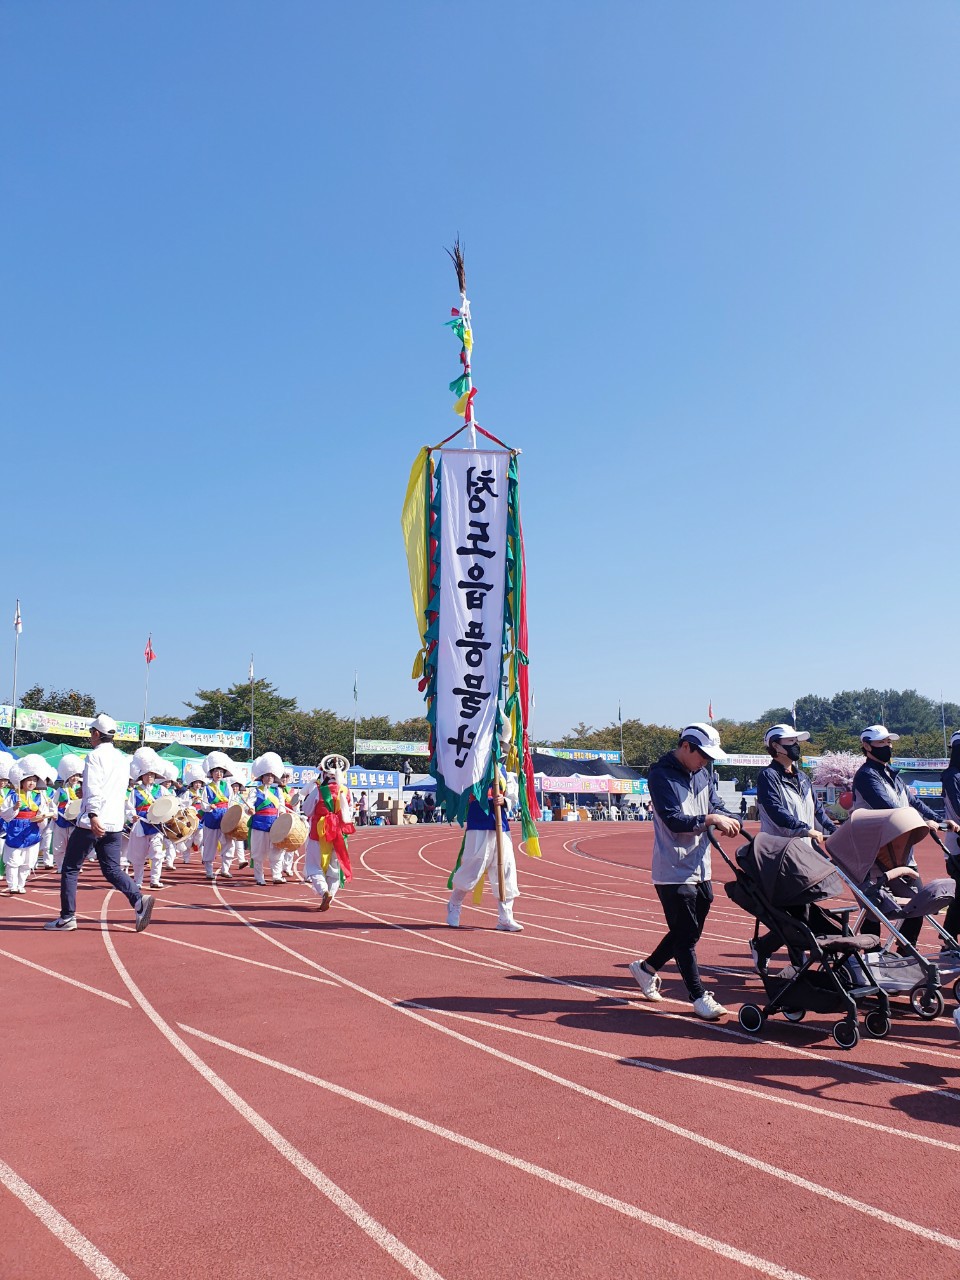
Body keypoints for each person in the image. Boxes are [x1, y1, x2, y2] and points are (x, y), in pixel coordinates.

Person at [629, 722, 740, 1019]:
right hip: (672, 868)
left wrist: (729, 819)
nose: (705, 761)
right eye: (702, 754)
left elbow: (716, 805)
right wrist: (710, 819)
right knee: (686, 934)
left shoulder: (703, 773)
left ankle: (647, 968)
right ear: (686, 746)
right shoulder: (661, 775)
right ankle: (699, 996)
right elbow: (674, 819)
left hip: (701, 865)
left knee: (687, 932)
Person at [45, 714, 155, 933]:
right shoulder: (122, 759)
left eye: (91, 733)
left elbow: (95, 787)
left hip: (92, 823)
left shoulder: (94, 756)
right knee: (112, 869)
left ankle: (67, 917)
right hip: (114, 823)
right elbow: (111, 788)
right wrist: (85, 792)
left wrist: (93, 814)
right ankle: (138, 900)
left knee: (70, 868)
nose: (90, 736)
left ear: (96, 733)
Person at [852, 724, 958, 949]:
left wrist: (939, 820)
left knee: (918, 902)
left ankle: (905, 951)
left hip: (901, 851)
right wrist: (921, 822)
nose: (888, 746)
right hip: (874, 854)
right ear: (867, 746)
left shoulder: (892, 775)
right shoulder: (866, 776)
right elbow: (887, 806)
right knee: (873, 909)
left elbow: (913, 802)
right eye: (882, 743)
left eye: (889, 742)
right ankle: (871, 954)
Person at [750, 724, 838, 973]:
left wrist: (835, 831)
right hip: (781, 855)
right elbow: (776, 811)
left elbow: (817, 811)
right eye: (790, 742)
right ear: (775, 746)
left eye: (796, 741)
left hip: (805, 854)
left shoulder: (803, 778)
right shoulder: (768, 777)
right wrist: (803, 828)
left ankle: (766, 948)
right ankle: (798, 966)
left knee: (802, 913)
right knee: (797, 914)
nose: (796, 746)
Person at [446, 757, 524, 933]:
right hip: (478, 822)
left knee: (506, 868)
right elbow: (462, 789)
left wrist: (504, 800)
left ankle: (505, 917)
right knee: (473, 867)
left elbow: (513, 797)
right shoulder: (472, 767)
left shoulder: (505, 772)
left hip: (500, 824)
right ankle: (454, 904)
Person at [302, 760, 355, 910]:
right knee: (335, 869)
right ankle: (330, 895)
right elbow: (350, 813)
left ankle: (324, 891)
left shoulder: (319, 791)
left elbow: (307, 810)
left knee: (314, 865)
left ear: (324, 774)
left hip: (319, 833)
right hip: (338, 834)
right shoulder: (347, 791)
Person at [1, 755, 54, 894]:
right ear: (22, 781)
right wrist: (14, 808)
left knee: (28, 860)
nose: (32, 783)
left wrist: (42, 818)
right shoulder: (13, 796)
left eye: (34, 780)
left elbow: (43, 813)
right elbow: (4, 814)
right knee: (13, 859)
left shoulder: (40, 796)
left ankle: (21, 884)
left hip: (32, 829)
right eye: (29, 780)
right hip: (16, 829)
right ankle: (12, 885)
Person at [248, 752, 288, 886]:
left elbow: (281, 807)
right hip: (259, 825)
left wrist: (282, 814)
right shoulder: (255, 791)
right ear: (262, 777)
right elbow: (247, 805)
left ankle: (277, 875)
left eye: (272, 775)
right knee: (258, 852)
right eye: (267, 775)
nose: (269, 778)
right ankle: (259, 877)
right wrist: (249, 809)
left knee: (277, 851)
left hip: (274, 825)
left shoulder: (278, 791)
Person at [200, 750, 236, 881]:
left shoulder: (228, 787)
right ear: (212, 773)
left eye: (221, 771)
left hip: (225, 819)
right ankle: (209, 871)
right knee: (210, 845)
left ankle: (225, 869)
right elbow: (203, 805)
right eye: (216, 771)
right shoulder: (207, 788)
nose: (219, 774)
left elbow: (231, 802)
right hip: (212, 819)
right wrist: (209, 807)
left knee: (229, 844)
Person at [938, 732, 960, 947]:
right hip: (957, 846)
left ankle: (948, 940)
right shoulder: (952, 775)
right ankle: (948, 941)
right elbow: (957, 807)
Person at [50, 754, 84, 873]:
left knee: (75, 845)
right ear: (67, 776)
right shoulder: (61, 790)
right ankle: (60, 866)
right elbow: (53, 804)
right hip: (61, 820)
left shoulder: (82, 790)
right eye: (72, 775)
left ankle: (75, 865)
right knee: (59, 845)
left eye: (77, 775)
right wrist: (54, 814)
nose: (74, 778)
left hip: (76, 821)